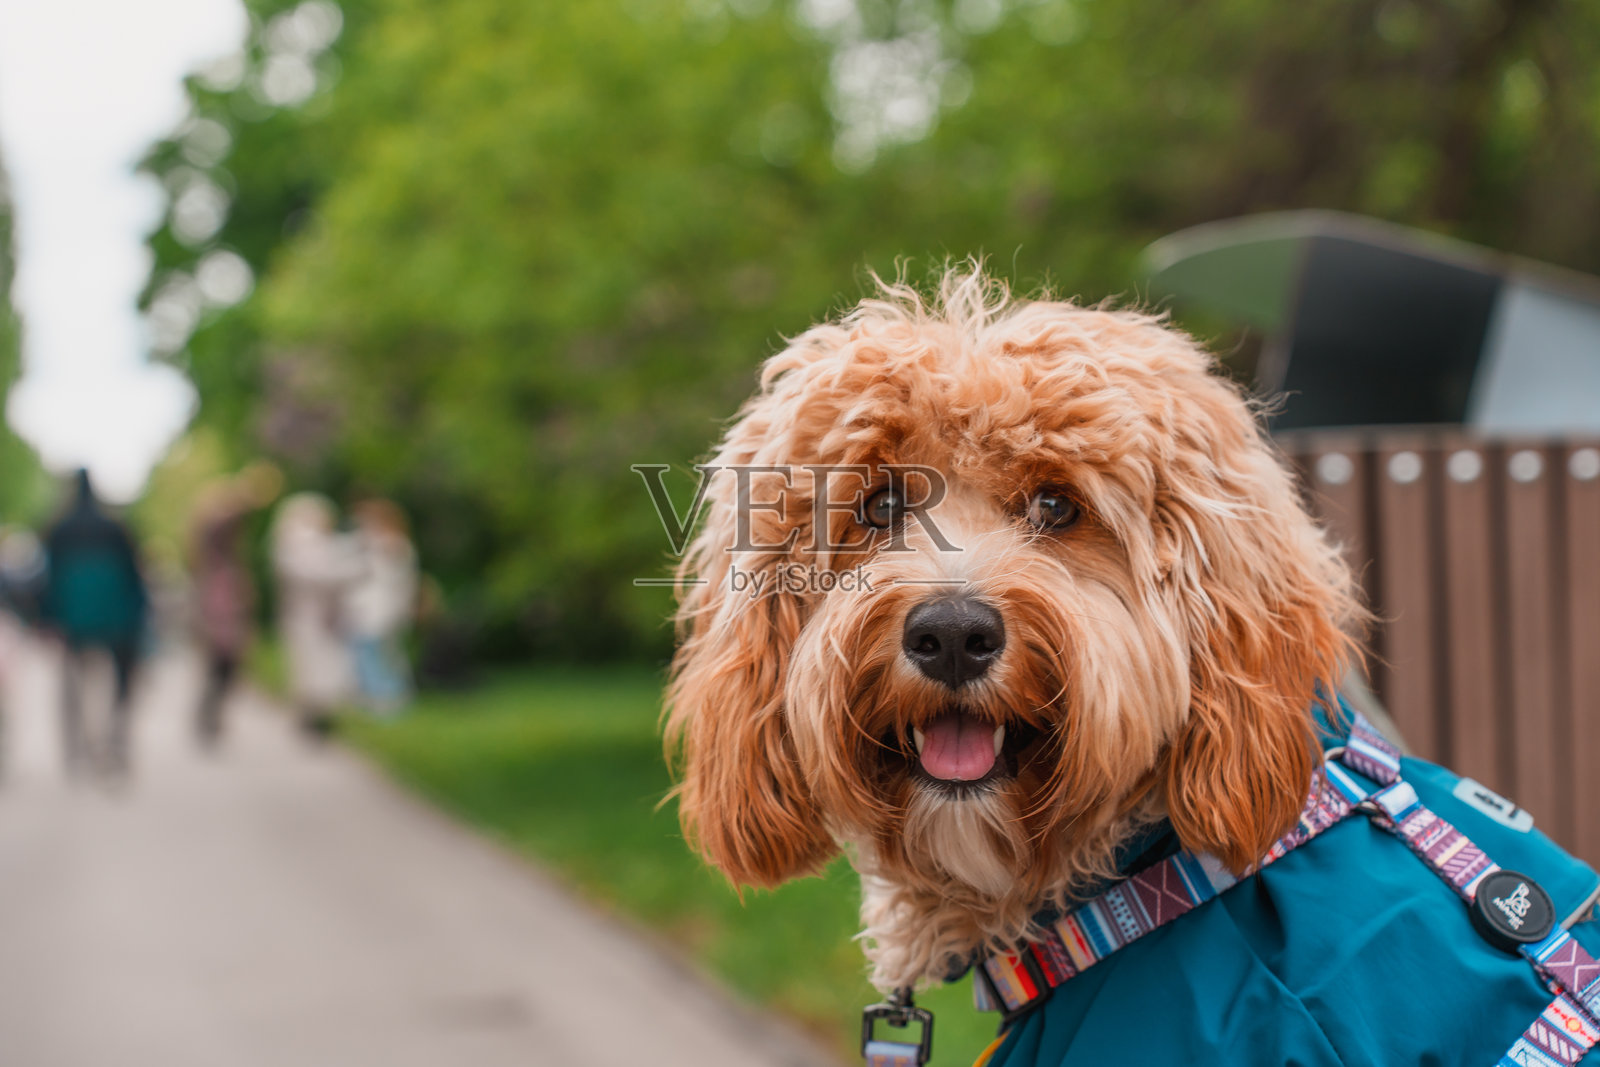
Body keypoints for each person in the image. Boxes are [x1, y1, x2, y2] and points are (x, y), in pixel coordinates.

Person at [39, 469, 147, 778]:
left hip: (73, 620)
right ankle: (115, 742)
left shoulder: (58, 529)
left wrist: (47, 619)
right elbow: (134, 576)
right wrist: (139, 614)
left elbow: (47, 580)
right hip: (116, 619)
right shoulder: (116, 527)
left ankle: (76, 752)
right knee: (118, 682)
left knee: (72, 685)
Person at [270, 493, 361, 738]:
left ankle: (321, 717)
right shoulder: (294, 544)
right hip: (307, 616)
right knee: (310, 668)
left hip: (325, 616)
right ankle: (312, 717)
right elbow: (319, 574)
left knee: (326, 667)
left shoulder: (323, 544)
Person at [189, 483, 255, 749]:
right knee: (220, 665)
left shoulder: (221, 559)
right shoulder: (213, 550)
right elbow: (228, 520)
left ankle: (210, 716)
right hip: (218, 606)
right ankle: (209, 717)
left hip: (222, 603)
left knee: (223, 667)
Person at [344, 498, 417, 715]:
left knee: (382, 655)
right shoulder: (371, 544)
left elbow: (393, 580)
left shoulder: (394, 546)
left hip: (382, 610)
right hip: (367, 611)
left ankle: (389, 699)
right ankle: (376, 697)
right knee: (370, 655)